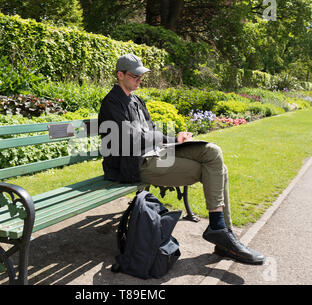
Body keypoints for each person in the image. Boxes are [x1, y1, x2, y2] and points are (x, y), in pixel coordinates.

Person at [98, 53, 265, 265]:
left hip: (153, 153)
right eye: (135, 76)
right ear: (120, 75)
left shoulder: (136, 100)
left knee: (212, 152)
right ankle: (223, 234)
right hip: (134, 164)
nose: (139, 80)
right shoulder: (112, 102)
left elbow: (149, 132)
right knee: (216, 171)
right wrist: (161, 139)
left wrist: (175, 140)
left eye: (141, 76)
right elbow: (131, 140)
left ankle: (220, 230)